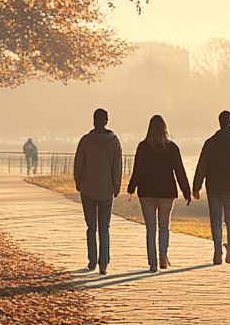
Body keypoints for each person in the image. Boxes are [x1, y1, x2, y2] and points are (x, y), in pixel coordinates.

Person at [126, 115, 192, 272]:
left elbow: (137, 170)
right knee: (164, 226)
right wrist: (186, 192)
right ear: (165, 129)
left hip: (147, 192)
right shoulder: (172, 148)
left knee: (151, 228)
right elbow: (179, 171)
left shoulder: (143, 147)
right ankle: (163, 255)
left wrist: (131, 188)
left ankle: (152, 263)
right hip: (167, 193)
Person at [192, 110, 230, 265]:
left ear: (219, 123)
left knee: (216, 221)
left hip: (214, 188)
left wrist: (196, 186)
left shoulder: (210, 143)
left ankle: (218, 251)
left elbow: (202, 166)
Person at [73, 108, 123, 275]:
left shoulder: (85, 141)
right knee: (104, 227)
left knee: (91, 226)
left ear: (94, 121)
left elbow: (78, 165)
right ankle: (104, 263)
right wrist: (116, 186)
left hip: (88, 188)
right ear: (106, 121)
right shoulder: (114, 142)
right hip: (106, 188)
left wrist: (79, 182)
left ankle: (92, 260)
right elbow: (117, 167)